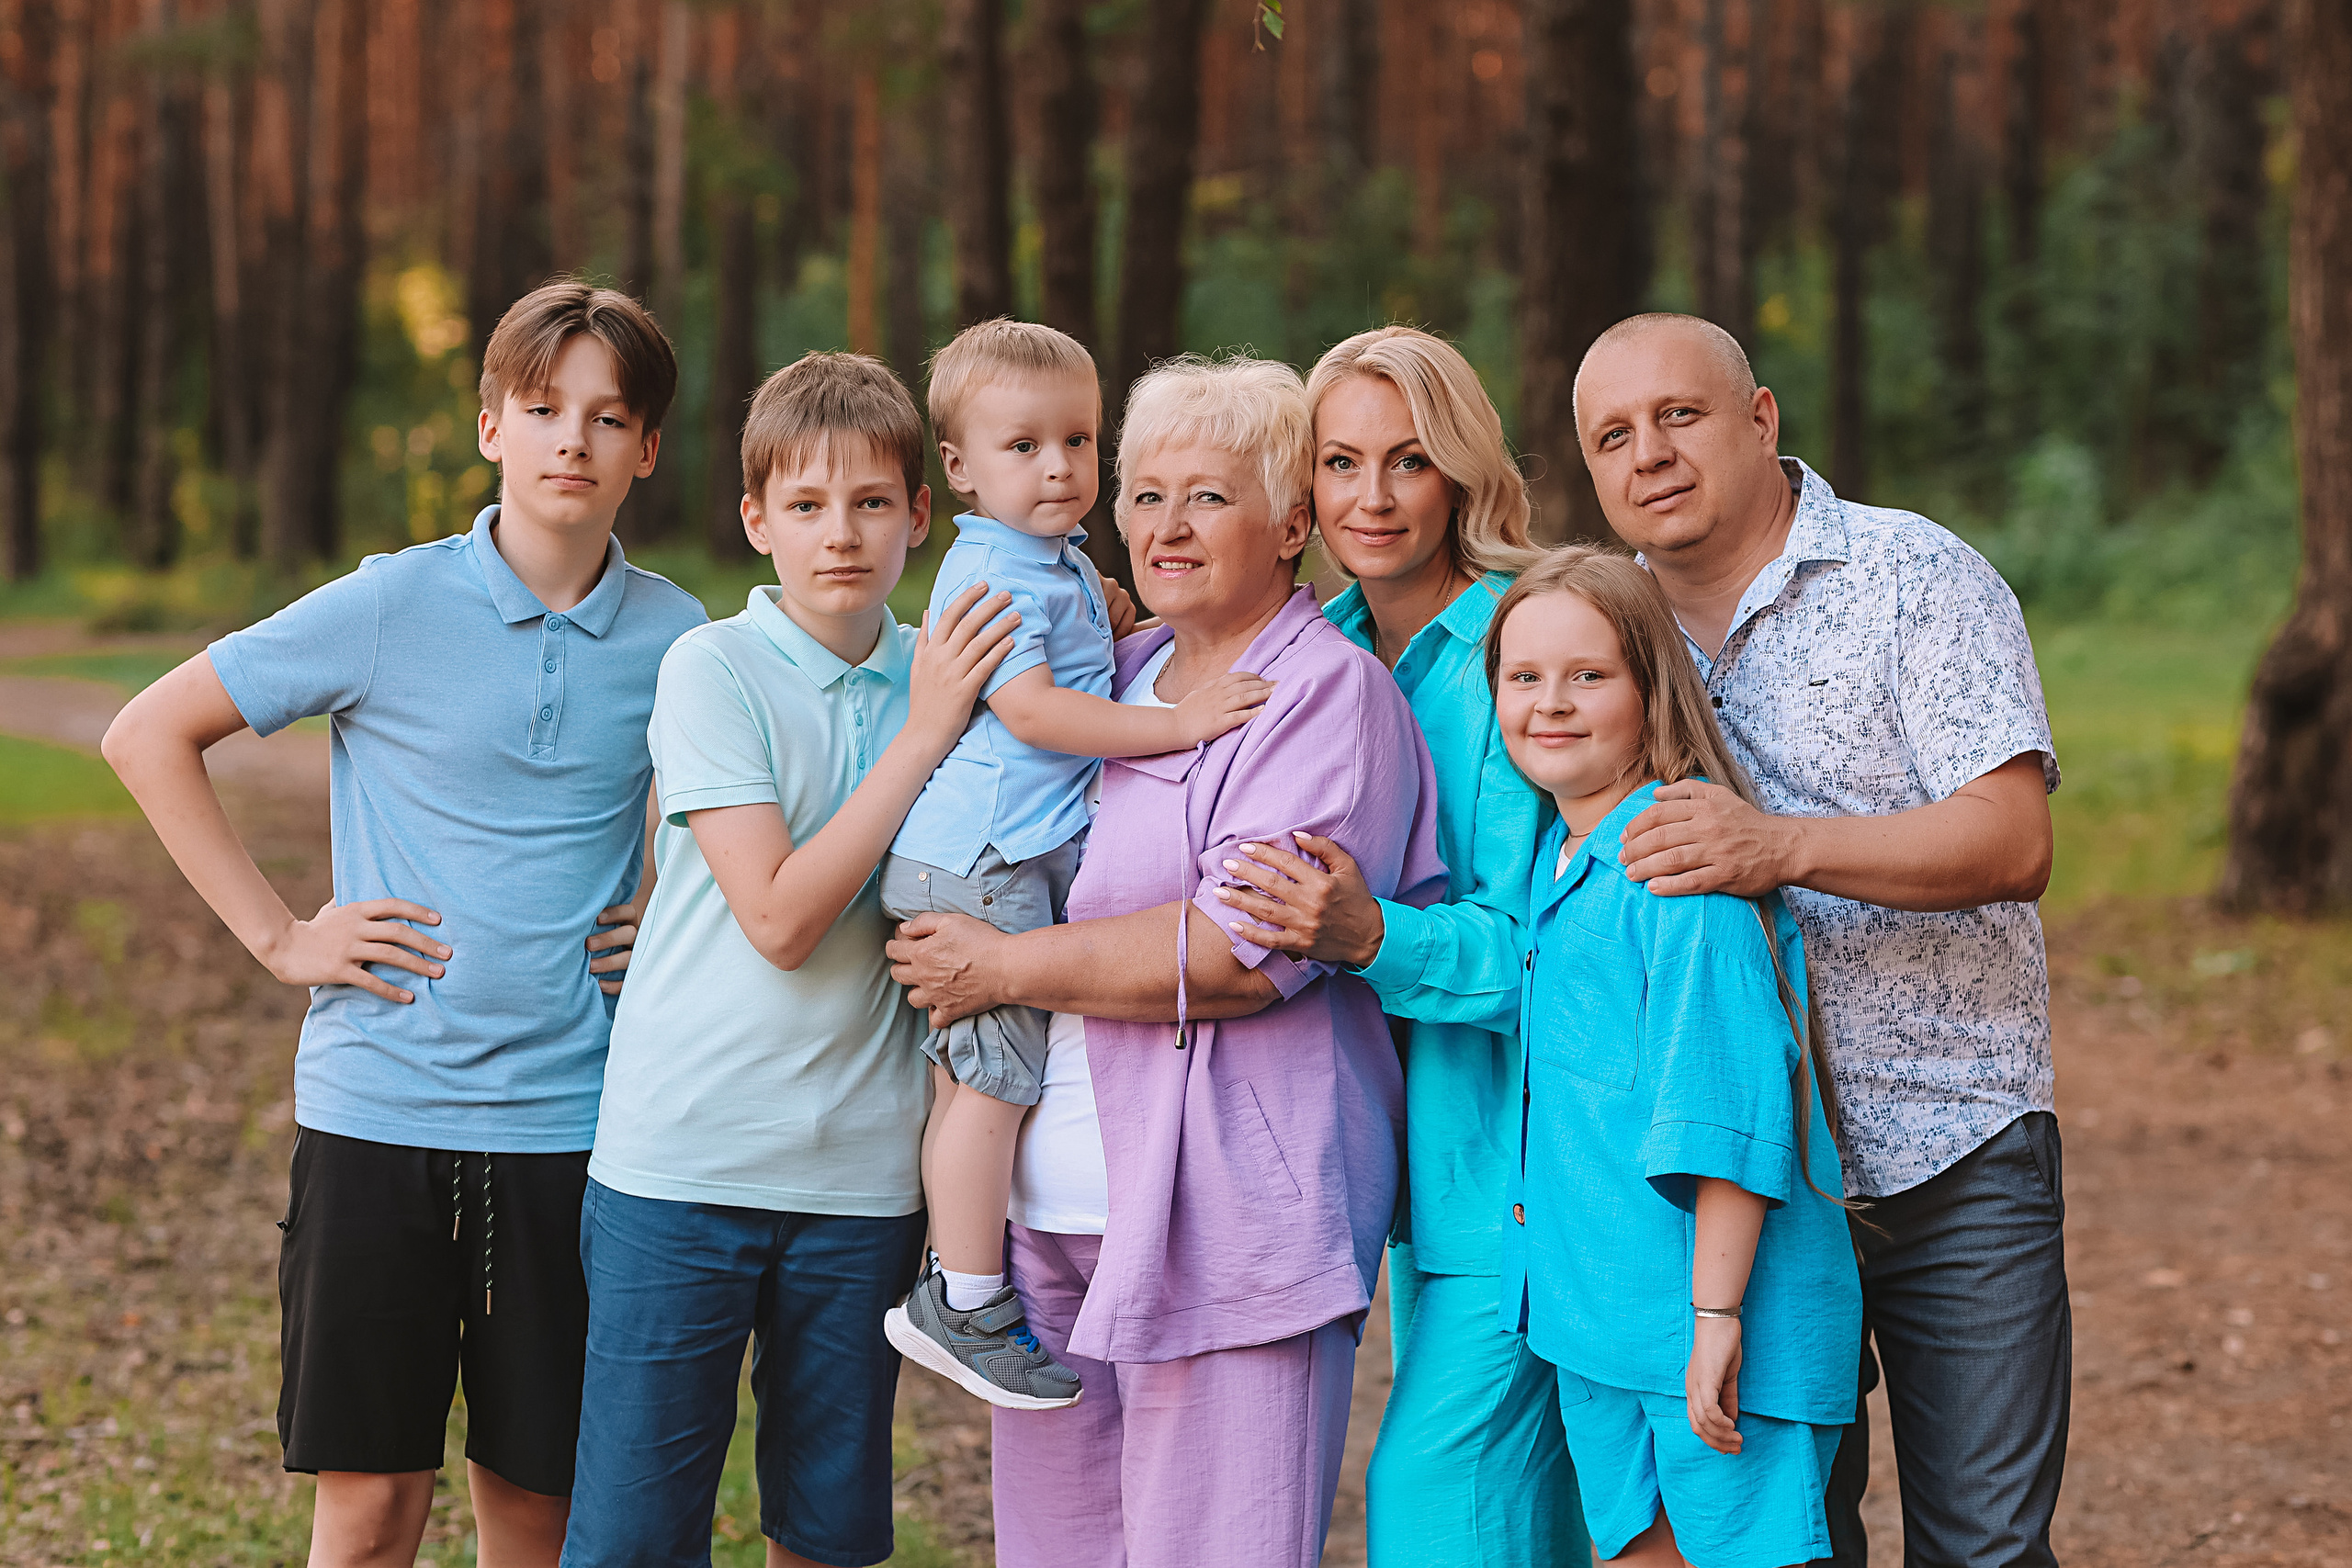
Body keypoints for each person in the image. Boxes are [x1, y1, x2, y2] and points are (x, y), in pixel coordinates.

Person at [99, 281, 707, 1568]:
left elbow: (748, 803)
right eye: (543, 409)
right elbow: (147, 731)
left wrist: (672, 910)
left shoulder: (679, 637)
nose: (571, 443)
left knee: (537, 1518)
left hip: (580, 1128)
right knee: (371, 1514)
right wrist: (281, 937)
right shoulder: (384, 604)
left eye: (607, 419)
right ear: (491, 423)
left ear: (646, 448)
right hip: (380, 1115)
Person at [885, 355, 1448, 1568]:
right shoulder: (1126, 673)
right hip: (1054, 1216)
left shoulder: (1321, 696)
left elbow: (1238, 949)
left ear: (1292, 522)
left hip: (1230, 1215)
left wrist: (1002, 966)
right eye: (1142, 494)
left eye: (1206, 496)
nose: (1163, 524)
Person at [1576, 313, 2066, 1565]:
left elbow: (2011, 839)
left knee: (1986, 1547)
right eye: (1613, 436)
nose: (1651, 454)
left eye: (1680, 415)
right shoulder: (1604, 636)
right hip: (1743, 1180)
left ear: (1761, 418)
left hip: (1952, 1142)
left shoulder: (1916, 577)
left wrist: (1779, 845)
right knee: (1781, 1544)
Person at [559, 353, 1022, 1568]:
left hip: (863, 1183)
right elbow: (777, 915)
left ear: (922, 516)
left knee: (827, 1528)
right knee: (632, 1537)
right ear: (755, 518)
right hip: (683, 1161)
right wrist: (925, 730)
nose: (842, 535)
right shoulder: (713, 668)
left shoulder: (955, 668)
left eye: (874, 501)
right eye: (807, 506)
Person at [1208, 324, 1589, 1567]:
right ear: (1300, 484)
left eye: (1409, 461)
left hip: (1512, 1159)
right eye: (1340, 462)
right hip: (1366, 1156)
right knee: (1514, 1514)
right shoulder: (1305, 650)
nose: (1371, 497)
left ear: (1462, 474)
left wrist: (1375, 932)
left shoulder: (1516, 658)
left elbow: (1554, 945)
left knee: (1437, 1500)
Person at [876, 320, 1268, 1409]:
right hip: (982, 865)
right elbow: (1038, 712)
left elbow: (1069, 655)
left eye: (1078, 442)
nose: (1057, 468)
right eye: (1022, 447)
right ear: (956, 466)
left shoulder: (1042, 563)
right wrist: (1181, 725)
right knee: (992, 1085)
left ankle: (959, 1278)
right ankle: (963, 1298)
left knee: (977, 1077)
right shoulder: (991, 575)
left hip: (981, 855)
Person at [1488, 546, 1860, 1567]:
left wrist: (1715, 1317)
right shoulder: (1555, 857)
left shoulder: (1680, 879)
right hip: (1597, 1323)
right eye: (1524, 678)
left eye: (1588, 676)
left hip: (1715, 1329)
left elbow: (1732, 1119)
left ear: (1649, 690)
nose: (1550, 704)